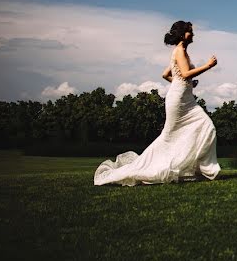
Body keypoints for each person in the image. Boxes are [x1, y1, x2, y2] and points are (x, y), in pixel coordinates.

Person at [94, 21, 221, 186]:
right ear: (182, 34)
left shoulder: (181, 51)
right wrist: (208, 66)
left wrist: (187, 84)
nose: (193, 34)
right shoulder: (180, 50)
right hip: (179, 101)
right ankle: (152, 168)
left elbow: (166, 74)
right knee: (170, 136)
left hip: (185, 99)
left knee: (206, 126)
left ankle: (198, 168)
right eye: (190, 32)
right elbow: (184, 73)